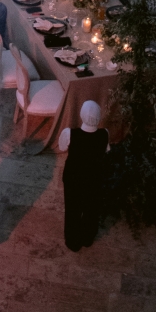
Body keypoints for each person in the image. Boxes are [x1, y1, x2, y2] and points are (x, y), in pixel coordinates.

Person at [58, 100, 109, 252]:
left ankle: (73, 241)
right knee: (91, 208)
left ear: (81, 115)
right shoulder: (104, 134)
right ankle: (88, 237)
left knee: (72, 208)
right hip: (94, 177)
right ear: (99, 117)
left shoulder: (69, 133)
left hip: (73, 177)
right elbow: (106, 150)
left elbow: (61, 147)